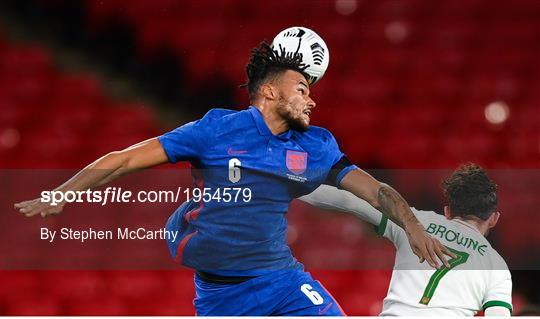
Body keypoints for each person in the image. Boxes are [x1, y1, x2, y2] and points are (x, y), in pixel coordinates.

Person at [14, 41, 453, 316]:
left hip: (281, 281)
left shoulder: (314, 146)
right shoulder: (216, 129)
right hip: (220, 294)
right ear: (268, 92)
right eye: (302, 88)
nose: (312, 100)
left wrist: (412, 227)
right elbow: (125, 159)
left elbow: (376, 190)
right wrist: (63, 193)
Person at [300, 163, 512, 316]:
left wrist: (289, 187)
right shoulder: (498, 267)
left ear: (447, 211)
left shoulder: (414, 221)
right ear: (494, 219)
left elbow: (349, 200)